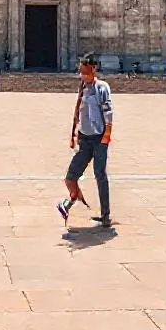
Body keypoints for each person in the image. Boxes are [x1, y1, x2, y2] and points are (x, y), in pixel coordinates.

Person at [57, 53, 114, 228]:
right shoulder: (83, 87)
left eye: (86, 72)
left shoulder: (101, 88)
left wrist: (107, 134)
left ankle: (105, 216)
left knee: (100, 175)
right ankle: (72, 199)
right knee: (71, 176)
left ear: (94, 70)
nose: (83, 75)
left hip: (99, 138)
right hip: (85, 139)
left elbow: (108, 112)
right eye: (81, 72)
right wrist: (74, 134)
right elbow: (78, 111)